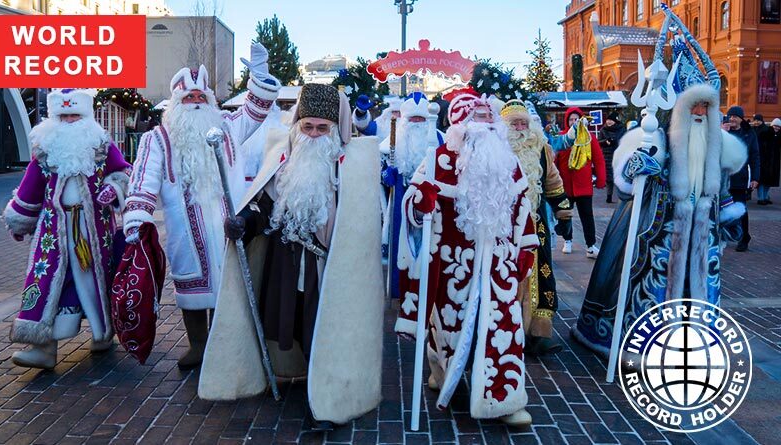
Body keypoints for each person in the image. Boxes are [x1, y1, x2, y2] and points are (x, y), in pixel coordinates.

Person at [202, 83, 384, 430]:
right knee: (296, 323)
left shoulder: (353, 164)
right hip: (287, 264)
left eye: (322, 128)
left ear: (336, 129)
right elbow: (265, 203)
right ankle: (309, 381)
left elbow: (363, 221)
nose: (314, 135)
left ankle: (327, 401)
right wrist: (245, 222)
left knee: (326, 330)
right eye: (308, 127)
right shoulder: (284, 156)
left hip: (330, 268)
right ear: (297, 125)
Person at [123, 43, 281, 369]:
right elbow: (143, 180)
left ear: (211, 102)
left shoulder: (227, 127)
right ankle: (198, 344)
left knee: (231, 284)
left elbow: (257, 107)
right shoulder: (158, 139)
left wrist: (260, 75)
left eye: (201, 98)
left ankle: (227, 343)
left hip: (229, 225)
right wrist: (137, 217)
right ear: (175, 105)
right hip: (185, 228)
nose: (195, 104)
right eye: (188, 99)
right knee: (191, 284)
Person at [395, 90, 538, 426]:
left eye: (489, 118)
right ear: (458, 125)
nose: (485, 123)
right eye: (477, 118)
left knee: (503, 328)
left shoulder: (509, 161)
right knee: (450, 327)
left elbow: (522, 209)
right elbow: (413, 212)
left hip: (499, 267)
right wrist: (421, 202)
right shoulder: (437, 160)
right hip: (452, 264)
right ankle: (442, 372)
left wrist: (525, 250)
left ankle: (505, 398)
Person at [572, 82, 747, 356]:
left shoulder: (718, 147)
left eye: (706, 107)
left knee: (698, 290)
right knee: (653, 289)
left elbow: (722, 189)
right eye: (695, 106)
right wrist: (636, 167)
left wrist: (728, 216)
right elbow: (626, 190)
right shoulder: (656, 139)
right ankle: (644, 346)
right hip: (659, 232)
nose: (700, 112)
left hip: (702, 236)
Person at [3, 89, 131, 369]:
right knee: (48, 283)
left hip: (96, 233)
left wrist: (113, 188)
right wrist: (20, 220)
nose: (70, 121)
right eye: (63, 116)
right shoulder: (45, 150)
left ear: (86, 116)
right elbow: (30, 189)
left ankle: (103, 335)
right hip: (53, 234)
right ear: (53, 118)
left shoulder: (102, 145)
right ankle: (43, 347)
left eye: (75, 115)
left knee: (100, 281)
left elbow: (122, 172)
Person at [500, 100, 573, 356]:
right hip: (505, 225)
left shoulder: (541, 147)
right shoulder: (497, 149)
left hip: (537, 222)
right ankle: (506, 332)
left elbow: (553, 180)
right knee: (508, 276)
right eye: (515, 123)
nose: (521, 128)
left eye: (524, 123)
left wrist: (564, 212)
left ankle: (539, 332)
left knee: (541, 275)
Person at [381, 92, 443, 300]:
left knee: (431, 244)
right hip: (402, 195)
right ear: (405, 120)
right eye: (413, 119)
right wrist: (386, 175)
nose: (417, 123)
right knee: (402, 243)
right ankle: (402, 289)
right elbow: (383, 168)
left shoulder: (439, 139)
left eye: (421, 119)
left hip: (432, 200)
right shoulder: (393, 140)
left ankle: (428, 290)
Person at [554, 107, 607, 258]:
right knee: (565, 215)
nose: (573, 122)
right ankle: (567, 240)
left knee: (587, 216)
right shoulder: (562, 137)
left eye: (576, 119)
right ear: (567, 121)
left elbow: (598, 159)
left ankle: (590, 246)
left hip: (583, 185)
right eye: (571, 119)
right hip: (565, 185)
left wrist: (601, 179)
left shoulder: (589, 137)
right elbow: (555, 161)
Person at [725, 106, 760, 251]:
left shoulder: (748, 133)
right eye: (730, 116)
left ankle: (745, 237)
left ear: (741, 118)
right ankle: (726, 235)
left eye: (735, 116)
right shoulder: (722, 131)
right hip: (723, 178)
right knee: (722, 208)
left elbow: (755, 156)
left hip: (740, 177)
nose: (732, 119)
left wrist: (755, 178)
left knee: (741, 209)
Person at [599, 111, 626, 203]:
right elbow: (599, 142)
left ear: (615, 121)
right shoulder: (603, 130)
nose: (609, 122)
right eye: (608, 120)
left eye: (611, 120)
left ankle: (621, 196)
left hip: (619, 155)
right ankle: (609, 196)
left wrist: (615, 142)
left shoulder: (621, 129)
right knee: (609, 178)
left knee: (619, 176)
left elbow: (624, 140)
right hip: (607, 155)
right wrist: (605, 142)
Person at [757, 118, 781, 205]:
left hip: (774, 162)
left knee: (769, 181)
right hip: (764, 161)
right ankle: (761, 198)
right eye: (775, 126)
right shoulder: (766, 133)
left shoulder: (778, 135)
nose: (777, 128)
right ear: (772, 125)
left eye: (779, 127)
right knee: (762, 181)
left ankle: (765, 196)